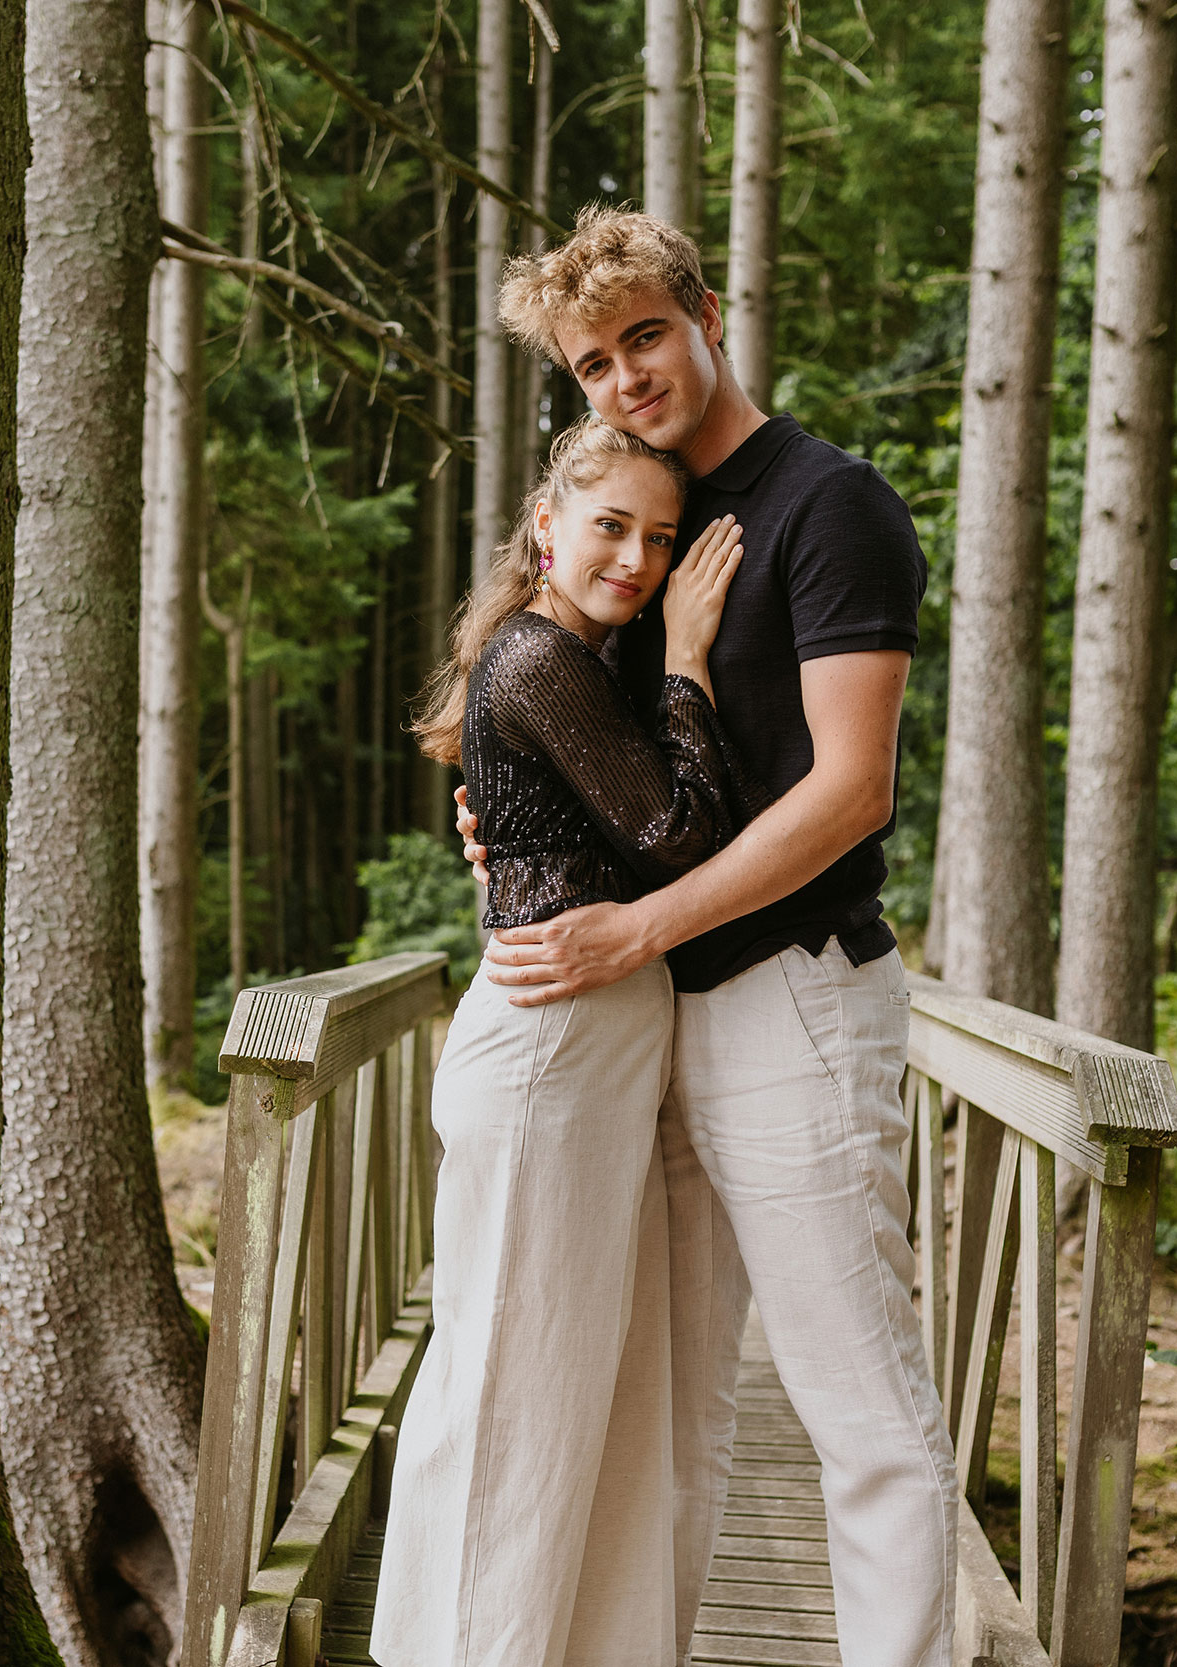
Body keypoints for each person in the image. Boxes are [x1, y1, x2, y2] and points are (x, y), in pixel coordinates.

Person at [463, 205, 958, 1667]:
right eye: (593, 363)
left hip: (791, 996)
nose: (627, 377)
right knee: (665, 1414)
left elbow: (850, 789)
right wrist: (509, 837)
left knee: (862, 1411)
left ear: (708, 316)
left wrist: (638, 928)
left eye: (646, 338)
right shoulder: (637, 519)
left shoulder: (830, 504)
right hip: (648, 1021)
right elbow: (589, 754)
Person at [371, 418, 749, 1667]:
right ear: (546, 525)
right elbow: (679, 835)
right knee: (513, 1386)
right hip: (550, 1054)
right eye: (611, 527)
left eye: (661, 539)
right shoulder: (540, 657)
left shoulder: (577, 658)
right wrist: (688, 656)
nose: (637, 560)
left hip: (588, 1057)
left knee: (588, 1379)